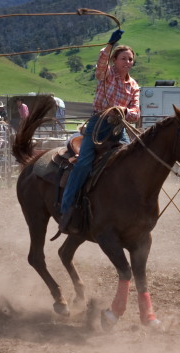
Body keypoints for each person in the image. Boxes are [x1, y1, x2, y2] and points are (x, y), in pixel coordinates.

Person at [59, 29, 139, 233]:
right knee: (84, 163)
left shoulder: (134, 86)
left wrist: (125, 111)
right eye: (124, 58)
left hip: (118, 128)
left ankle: (130, 207)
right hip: (98, 123)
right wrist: (110, 44)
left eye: (130, 59)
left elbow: (136, 112)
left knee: (131, 163)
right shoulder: (108, 74)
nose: (128, 62)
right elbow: (101, 64)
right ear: (115, 60)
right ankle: (66, 209)